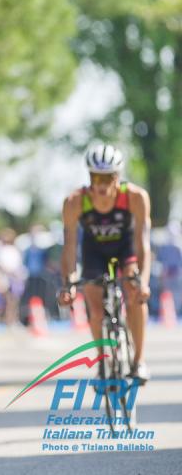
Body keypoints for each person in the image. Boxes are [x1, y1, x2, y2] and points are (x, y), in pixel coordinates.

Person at [59, 144, 151, 384]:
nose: (101, 185)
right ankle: (102, 362)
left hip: (126, 249)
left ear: (117, 177)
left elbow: (143, 243)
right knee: (96, 309)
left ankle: (138, 361)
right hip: (94, 252)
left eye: (107, 178)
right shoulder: (74, 201)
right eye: (95, 177)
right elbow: (69, 247)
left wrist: (143, 282)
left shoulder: (135, 197)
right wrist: (68, 284)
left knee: (134, 294)